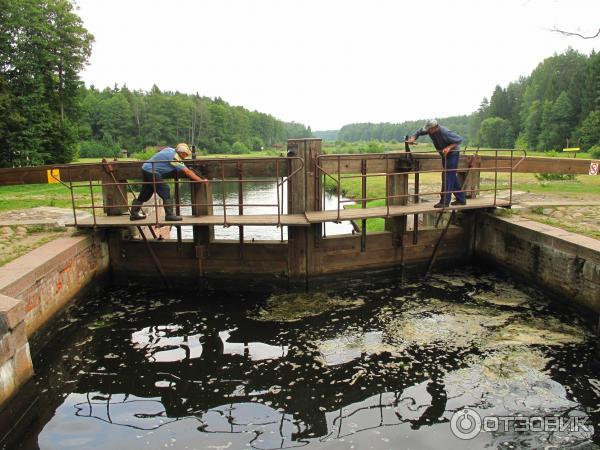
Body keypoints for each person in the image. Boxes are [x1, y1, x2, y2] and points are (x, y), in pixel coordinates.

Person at [130, 143, 207, 221]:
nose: (185, 157)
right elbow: (187, 172)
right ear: (180, 152)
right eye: (185, 154)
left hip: (145, 168)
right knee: (165, 190)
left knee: (146, 192)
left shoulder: (169, 149)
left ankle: (134, 214)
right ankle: (169, 215)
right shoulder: (175, 158)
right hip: (152, 171)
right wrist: (201, 180)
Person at [406, 119, 466, 208]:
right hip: (444, 154)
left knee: (447, 176)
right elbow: (419, 131)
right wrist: (413, 137)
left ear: (435, 128)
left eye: (429, 129)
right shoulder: (430, 130)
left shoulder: (445, 132)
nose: (427, 131)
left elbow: (459, 140)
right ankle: (461, 200)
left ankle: (444, 202)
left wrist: (449, 148)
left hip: (453, 154)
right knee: (451, 176)